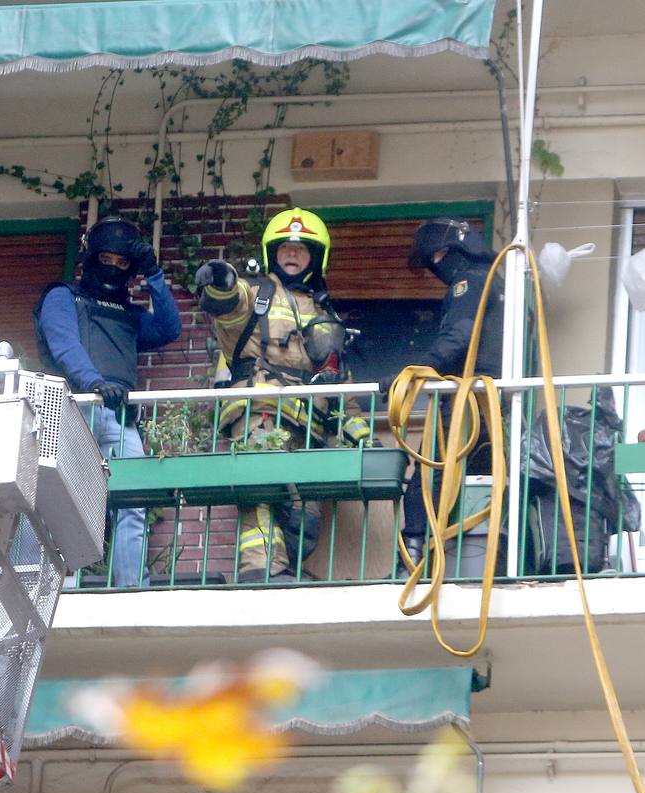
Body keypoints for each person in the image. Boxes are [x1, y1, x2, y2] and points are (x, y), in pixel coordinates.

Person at [195, 207, 371, 583]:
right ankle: (259, 571)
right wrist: (220, 280)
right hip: (262, 413)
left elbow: (341, 385)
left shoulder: (325, 312)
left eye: (302, 249)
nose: (292, 254)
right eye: (285, 248)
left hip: (310, 426)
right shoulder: (258, 293)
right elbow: (228, 300)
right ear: (273, 253)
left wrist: (361, 435)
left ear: (315, 257)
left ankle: (283, 570)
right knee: (262, 493)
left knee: (302, 509)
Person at [34, 217, 182, 587]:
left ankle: (131, 587)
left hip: (118, 414)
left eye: (123, 264)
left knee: (134, 500)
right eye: (107, 260)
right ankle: (59, 589)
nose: (114, 269)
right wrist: (94, 382)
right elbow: (64, 345)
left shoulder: (127, 314)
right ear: (91, 258)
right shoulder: (63, 296)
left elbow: (169, 328)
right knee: (64, 497)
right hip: (74, 406)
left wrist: (154, 273)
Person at [391, 217, 505, 569]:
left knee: (430, 470)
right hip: (489, 401)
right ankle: (482, 560)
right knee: (481, 475)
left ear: (451, 250)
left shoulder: (470, 281)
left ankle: (412, 555)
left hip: (465, 397)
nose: (437, 265)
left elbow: (458, 338)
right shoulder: (499, 280)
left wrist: (414, 372)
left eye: (437, 257)